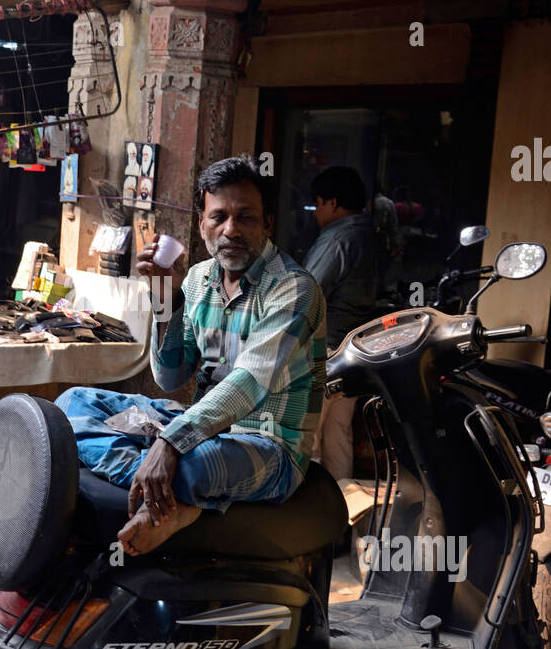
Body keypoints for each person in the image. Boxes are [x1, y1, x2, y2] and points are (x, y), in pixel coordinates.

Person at [56, 154, 327, 556]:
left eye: (245, 218)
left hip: (269, 446)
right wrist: (165, 297)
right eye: (218, 217)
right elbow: (170, 376)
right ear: (202, 224)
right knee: (70, 405)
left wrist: (169, 443)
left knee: (194, 466)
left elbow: (247, 385)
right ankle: (173, 494)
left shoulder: (294, 289)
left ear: (267, 224)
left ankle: (176, 494)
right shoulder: (199, 278)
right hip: (198, 428)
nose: (230, 230)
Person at [303, 165, 381, 482]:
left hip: (323, 352)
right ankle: (342, 518)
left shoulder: (337, 239)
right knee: (339, 438)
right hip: (354, 352)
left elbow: (307, 295)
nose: (316, 213)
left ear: (332, 203)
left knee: (308, 440)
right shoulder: (372, 238)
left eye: (318, 204)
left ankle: (308, 519)